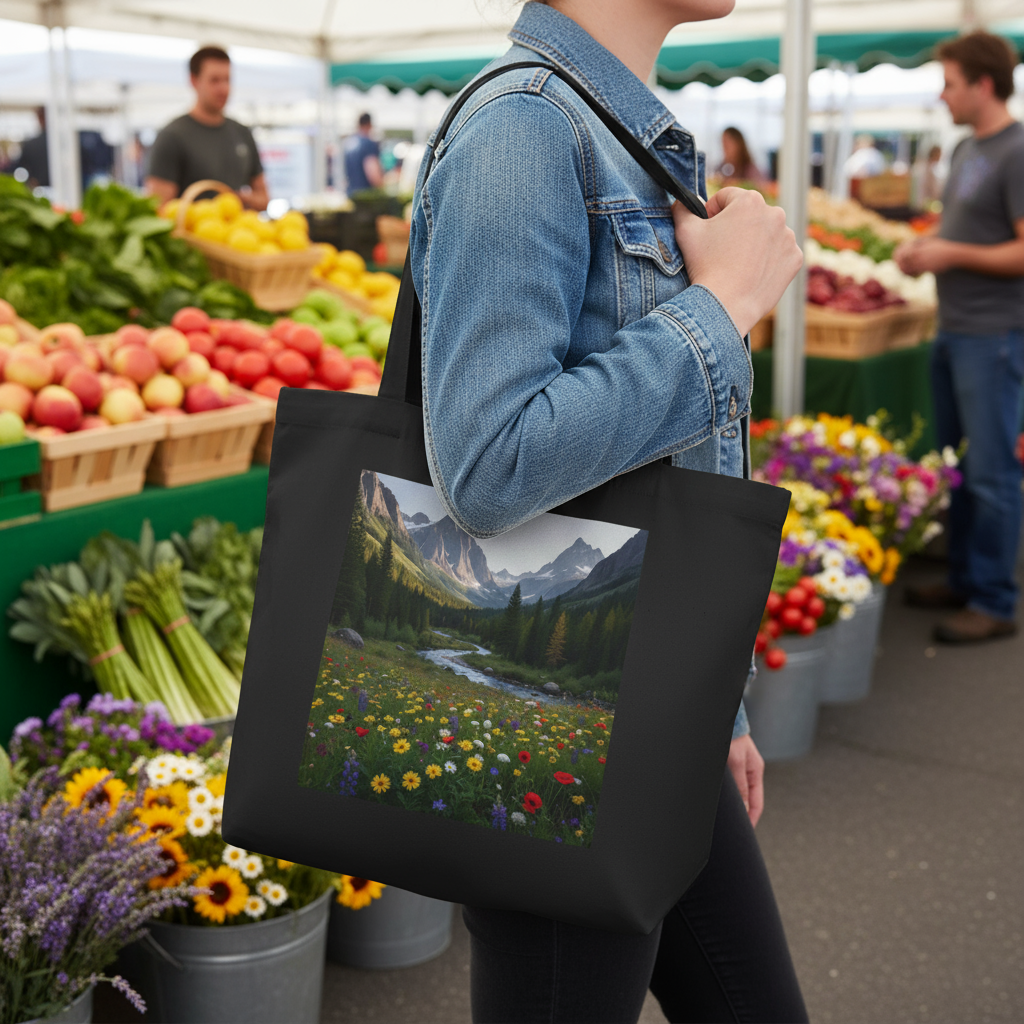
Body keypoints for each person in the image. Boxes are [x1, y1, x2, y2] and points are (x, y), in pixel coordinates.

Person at [408, 1, 808, 1021]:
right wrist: (717, 313)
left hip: (653, 703)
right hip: (555, 722)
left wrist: (717, 706)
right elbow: (490, 462)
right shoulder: (526, 126)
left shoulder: (616, 133)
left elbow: (661, 473)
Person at [895, 31, 1024, 644]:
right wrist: (928, 246)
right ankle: (966, 575)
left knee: (993, 473)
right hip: (956, 331)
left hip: (993, 337)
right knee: (960, 468)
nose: (942, 95)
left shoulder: (1017, 151)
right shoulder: (969, 148)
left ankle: (995, 600)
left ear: (982, 83)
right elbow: (967, 231)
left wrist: (947, 251)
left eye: (949, 83)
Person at [145, 46, 268, 211]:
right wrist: (202, 215)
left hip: (237, 235)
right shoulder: (171, 136)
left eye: (227, 80)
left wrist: (243, 199)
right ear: (194, 81)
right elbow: (158, 208)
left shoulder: (242, 133)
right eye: (214, 80)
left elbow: (264, 198)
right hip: (191, 236)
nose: (223, 88)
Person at [342, 113, 384, 195]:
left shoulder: (348, 143)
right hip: (365, 195)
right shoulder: (368, 144)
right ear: (369, 124)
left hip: (350, 193)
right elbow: (373, 173)